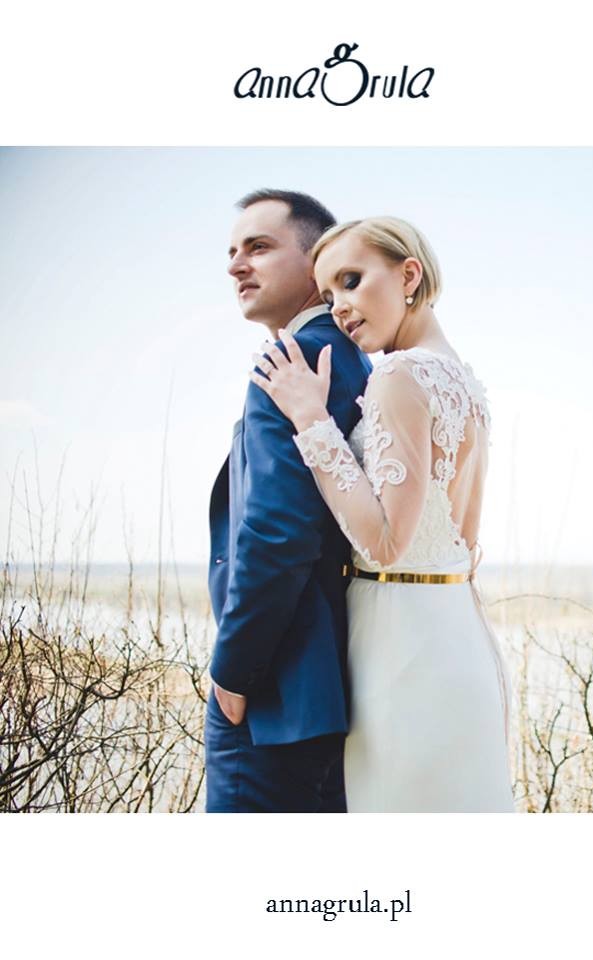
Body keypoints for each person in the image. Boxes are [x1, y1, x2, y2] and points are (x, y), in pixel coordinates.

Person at [250, 216, 515, 812]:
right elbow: (464, 538)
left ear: (409, 275)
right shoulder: (465, 383)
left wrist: (310, 419)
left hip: (402, 644)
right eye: (328, 296)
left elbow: (386, 542)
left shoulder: (399, 374)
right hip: (458, 632)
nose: (340, 307)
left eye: (351, 280)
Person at [205, 190, 372, 812]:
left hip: (277, 688)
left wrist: (234, 670)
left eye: (259, 247)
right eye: (232, 251)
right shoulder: (355, 358)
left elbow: (279, 532)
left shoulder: (290, 364)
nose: (235, 265)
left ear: (316, 261)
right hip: (339, 684)